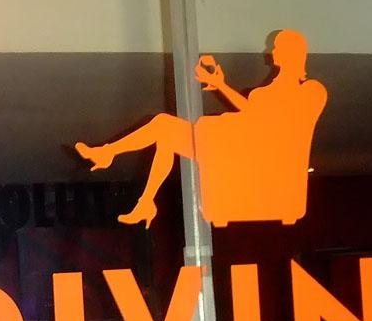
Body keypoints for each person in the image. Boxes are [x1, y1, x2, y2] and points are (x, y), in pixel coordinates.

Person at [76, 29, 327, 229]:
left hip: (247, 152)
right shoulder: (271, 89)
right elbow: (254, 111)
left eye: (277, 47)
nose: (271, 51)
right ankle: (140, 194)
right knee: (164, 130)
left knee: (165, 128)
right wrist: (220, 84)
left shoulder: (311, 90)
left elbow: (275, 123)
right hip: (231, 145)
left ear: (292, 53)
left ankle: (113, 161)